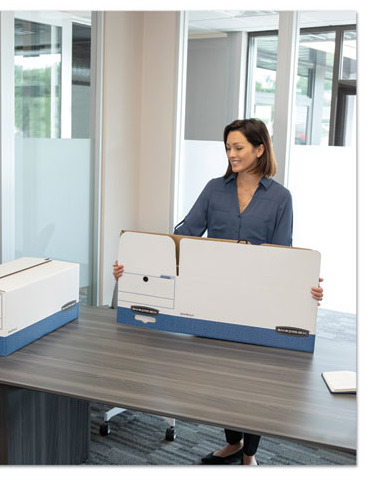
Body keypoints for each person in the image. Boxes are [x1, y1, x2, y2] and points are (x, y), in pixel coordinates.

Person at [113, 118, 324, 466]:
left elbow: (284, 255)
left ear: (260, 149)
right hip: (213, 299)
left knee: (253, 381)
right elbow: (183, 237)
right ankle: (233, 442)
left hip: (257, 302)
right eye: (228, 148)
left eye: (239, 147)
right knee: (219, 378)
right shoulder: (214, 189)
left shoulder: (280, 198)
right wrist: (136, 264)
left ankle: (249, 456)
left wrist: (306, 286)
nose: (231, 154)